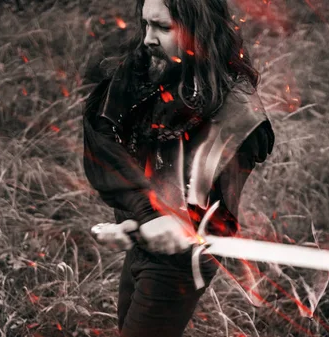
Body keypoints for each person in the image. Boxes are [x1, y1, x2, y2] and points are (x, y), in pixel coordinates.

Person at [81, 0, 275, 335]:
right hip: (145, 238)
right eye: (146, 24)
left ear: (199, 30)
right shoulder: (145, 68)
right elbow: (102, 139)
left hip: (179, 263)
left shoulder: (234, 107)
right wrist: (140, 216)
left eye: (162, 27)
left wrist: (166, 221)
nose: (148, 39)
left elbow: (213, 208)